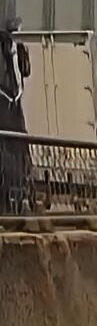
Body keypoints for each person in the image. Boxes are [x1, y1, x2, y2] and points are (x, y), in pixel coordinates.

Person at [1, 16, 32, 214]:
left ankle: (20, 194)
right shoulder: (4, 47)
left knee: (19, 145)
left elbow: (25, 71)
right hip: (6, 99)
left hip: (15, 99)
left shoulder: (18, 49)